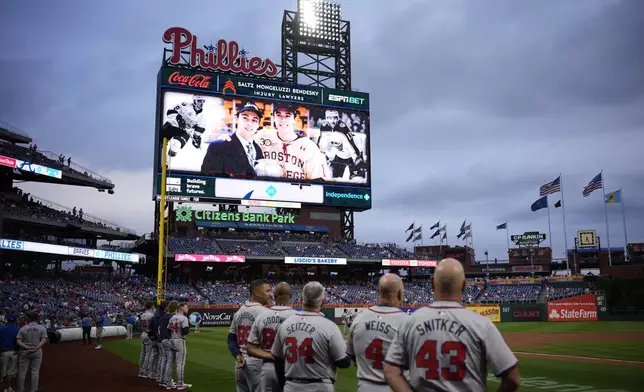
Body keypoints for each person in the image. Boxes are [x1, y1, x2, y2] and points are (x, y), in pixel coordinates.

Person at [383, 259, 521, 392]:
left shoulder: (410, 322)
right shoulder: (481, 324)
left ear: (432, 283)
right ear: (464, 285)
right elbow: (513, 379)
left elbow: (390, 372)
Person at [271, 281, 351, 392]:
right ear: (323, 301)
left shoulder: (285, 324)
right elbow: (344, 363)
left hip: (291, 385)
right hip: (320, 386)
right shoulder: (330, 326)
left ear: (301, 299)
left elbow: (277, 360)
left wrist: (284, 385)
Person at [347, 274, 409, 392]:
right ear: (400, 294)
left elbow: (352, 357)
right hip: (396, 387)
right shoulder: (408, 322)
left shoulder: (359, 319)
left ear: (379, 292)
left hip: (365, 386)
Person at [254, 102, 329, 181]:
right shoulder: (262, 137)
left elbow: (316, 181)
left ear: (295, 119)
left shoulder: (309, 146)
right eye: (279, 115)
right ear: (274, 118)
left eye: (287, 115)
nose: (283, 119)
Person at [247, 282, 296, 392]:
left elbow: (250, 348)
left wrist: (271, 355)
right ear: (291, 296)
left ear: (274, 295)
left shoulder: (262, 316)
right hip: (291, 368)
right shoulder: (297, 317)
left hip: (268, 367)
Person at [228, 279, 272, 392]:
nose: (270, 294)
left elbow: (231, 339)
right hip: (258, 363)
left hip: (240, 362)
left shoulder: (239, 311)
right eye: (267, 291)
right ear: (257, 292)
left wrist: (237, 356)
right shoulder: (265, 313)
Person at [201, 102, 264, 177]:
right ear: (237, 119)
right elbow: (207, 181)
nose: (249, 123)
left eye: (254, 120)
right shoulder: (218, 147)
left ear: (258, 125)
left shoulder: (258, 149)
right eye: (245, 118)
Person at [317, 109, 367, 180]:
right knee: (333, 179)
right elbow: (321, 142)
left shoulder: (342, 127)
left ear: (338, 117)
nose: (332, 121)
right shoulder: (324, 127)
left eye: (335, 117)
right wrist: (323, 154)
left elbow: (351, 143)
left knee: (358, 180)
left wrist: (356, 158)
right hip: (340, 154)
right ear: (326, 118)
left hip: (353, 154)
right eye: (329, 118)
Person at [15, 312, 46, 392]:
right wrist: (36, 348)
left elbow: (18, 341)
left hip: (25, 351)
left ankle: (20, 389)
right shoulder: (42, 328)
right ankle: (33, 389)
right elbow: (43, 340)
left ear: (29, 318)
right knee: (35, 371)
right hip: (37, 350)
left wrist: (27, 347)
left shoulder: (23, 328)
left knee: (22, 372)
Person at [165, 302, 192, 391]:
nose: (187, 308)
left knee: (169, 363)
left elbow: (168, 330)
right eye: (186, 307)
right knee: (180, 364)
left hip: (171, 340)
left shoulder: (172, 317)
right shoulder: (184, 318)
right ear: (181, 308)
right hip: (180, 340)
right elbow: (185, 331)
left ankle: (168, 383)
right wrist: (188, 329)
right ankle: (180, 384)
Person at [0, 314, 19, 392]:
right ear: (15, 320)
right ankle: (9, 388)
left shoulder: (1, 329)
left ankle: (4, 389)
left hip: (3, 352)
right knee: (10, 372)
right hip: (13, 352)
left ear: (7, 320)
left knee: (3, 372)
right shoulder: (17, 329)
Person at [147, 302, 165, 382]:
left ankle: (151, 373)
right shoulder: (164, 316)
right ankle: (158, 375)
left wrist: (152, 337)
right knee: (162, 357)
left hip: (153, 338)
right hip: (160, 339)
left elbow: (149, 328)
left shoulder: (154, 316)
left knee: (154, 356)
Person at [157, 302, 174, 388]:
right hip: (168, 339)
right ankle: (167, 381)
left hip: (161, 339)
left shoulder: (162, 316)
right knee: (169, 361)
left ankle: (161, 379)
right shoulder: (171, 317)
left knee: (163, 359)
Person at [138, 302, 155, 379]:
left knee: (143, 353)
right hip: (149, 334)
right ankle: (145, 371)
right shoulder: (151, 315)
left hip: (143, 333)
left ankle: (141, 370)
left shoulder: (142, 314)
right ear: (151, 307)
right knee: (148, 354)